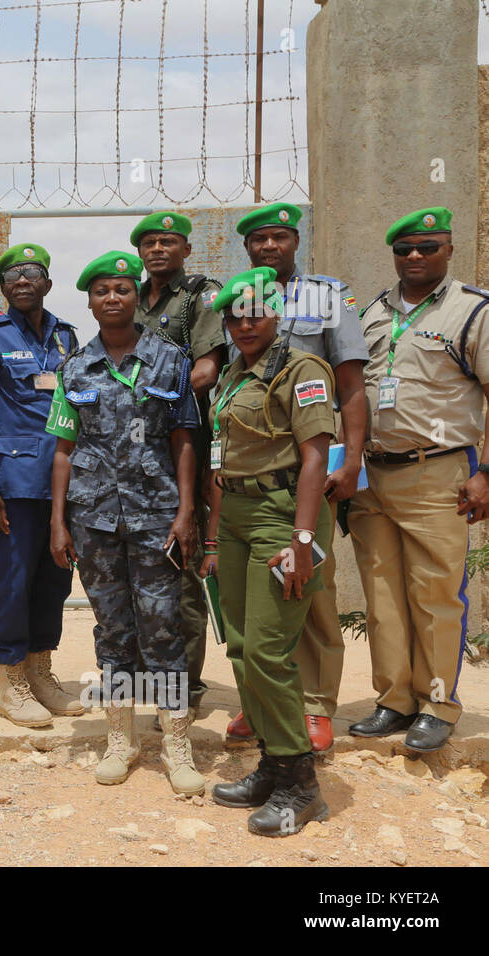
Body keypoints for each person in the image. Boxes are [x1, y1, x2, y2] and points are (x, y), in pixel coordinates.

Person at [48, 251, 204, 795]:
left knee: (163, 627)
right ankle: (122, 739)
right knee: (113, 630)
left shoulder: (170, 359)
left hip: (157, 514)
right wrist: (57, 522)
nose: (112, 298)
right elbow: (63, 449)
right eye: (101, 291)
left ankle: (176, 745)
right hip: (91, 518)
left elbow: (184, 437)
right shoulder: (74, 368)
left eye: (122, 288)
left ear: (137, 296)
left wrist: (187, 512)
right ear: (89, 302)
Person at [223, 203, 368, 753]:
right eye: (258, 240)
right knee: (256, 606)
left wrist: (352, 460)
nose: (268, 247)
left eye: (278, 237)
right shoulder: (241, 301)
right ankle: (263, 700)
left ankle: (314, 705)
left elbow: (350, 384)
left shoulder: (326, 298)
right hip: (253, 470)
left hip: (311, 464)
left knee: (311, 589)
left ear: (295, 239)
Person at [347, 206, 489, 753]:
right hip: (372, 474)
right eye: (404, 249)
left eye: (427, 247)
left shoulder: (472, 312)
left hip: (438, 473)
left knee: (434, 594)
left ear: (448, 250)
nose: (414, 257)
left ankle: (437, 703)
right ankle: (395, 699)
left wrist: (487, 474)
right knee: (383, 596)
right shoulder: (374, 311)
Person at [200, 267, 335, 836]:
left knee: (269, 652)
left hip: (284, 517)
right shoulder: (233, 373)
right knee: (240, 642)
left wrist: (302, 541)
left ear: (276, 314)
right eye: (235, 315)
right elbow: (218, 456)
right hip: (234, 516)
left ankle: (301, 785)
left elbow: (314, 457)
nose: (245, 323)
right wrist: (212, 533)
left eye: (255, 313)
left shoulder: (300, 368)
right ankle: (271, 764)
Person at [0, 243, 83, 727]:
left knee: (54, 580)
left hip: (63, 480)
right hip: (13, 481)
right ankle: (10, 681)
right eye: (12, 275)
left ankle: (41, 670)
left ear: (47, 282)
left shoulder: (67, 337)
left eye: (32, 273)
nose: (22, 281)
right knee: (10, 582)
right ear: (3, 288)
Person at [131, 211, 226, 713]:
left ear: (185, 249)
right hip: (136, 451)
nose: (157, 250)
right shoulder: (131, 297)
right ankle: (149, 668)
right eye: (149, 243)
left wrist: (153, 399)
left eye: (168, 242)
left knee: (182, 559)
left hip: (184, 443)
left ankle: (185, 680)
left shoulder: (199, 295)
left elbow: (208, 366)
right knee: (142, 561)